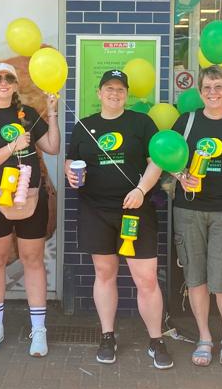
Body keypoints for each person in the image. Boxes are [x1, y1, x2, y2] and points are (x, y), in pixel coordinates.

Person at [65, 70, 172, 370]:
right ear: (98, 93)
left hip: (135, 210)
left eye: (120, 89)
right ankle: (107, 336)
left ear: (127, 94)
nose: (115, 93)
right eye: (109, 88)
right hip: (95, 210)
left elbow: (157, 161)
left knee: (146, 278)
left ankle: (156, 339)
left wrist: (141, 190)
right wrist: (71, 174)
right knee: (104, 272)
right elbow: (70, 161)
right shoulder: (84, 126)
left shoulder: (141, 123)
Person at [0, 62, 60, 357]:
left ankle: (39, 329)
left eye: (9, 78)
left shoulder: (29, 114)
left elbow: (53, 147)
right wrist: (12, 147)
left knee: (33, 259)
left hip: (31, 197)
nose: (4, 82)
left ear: (16, 85)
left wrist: (52, 112)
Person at [171, 66, 222, 367]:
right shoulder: (187, 122)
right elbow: (169, 160)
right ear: (200, 91)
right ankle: (205, 337)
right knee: (195, 279)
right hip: (189, 209)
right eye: (207, 87)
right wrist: (181, 175)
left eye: (219, 87)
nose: (212, 93)